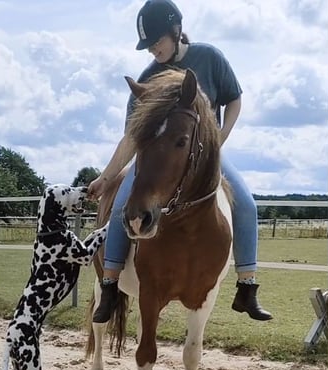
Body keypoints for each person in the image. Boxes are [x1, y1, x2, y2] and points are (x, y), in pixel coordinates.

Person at [88, 0, 273, 323]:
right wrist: (106, 177)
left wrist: (219, 138)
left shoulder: (210, 58)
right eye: (147, 46)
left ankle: (247, 286)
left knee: (246, 203)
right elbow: (131, 138)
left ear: (175, 31)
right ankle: (110, 284)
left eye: (155, 41)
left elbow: (234, 99)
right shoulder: (148, 78)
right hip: (158, 160)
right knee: (120, 205)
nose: (151, 50)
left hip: (204, 155)